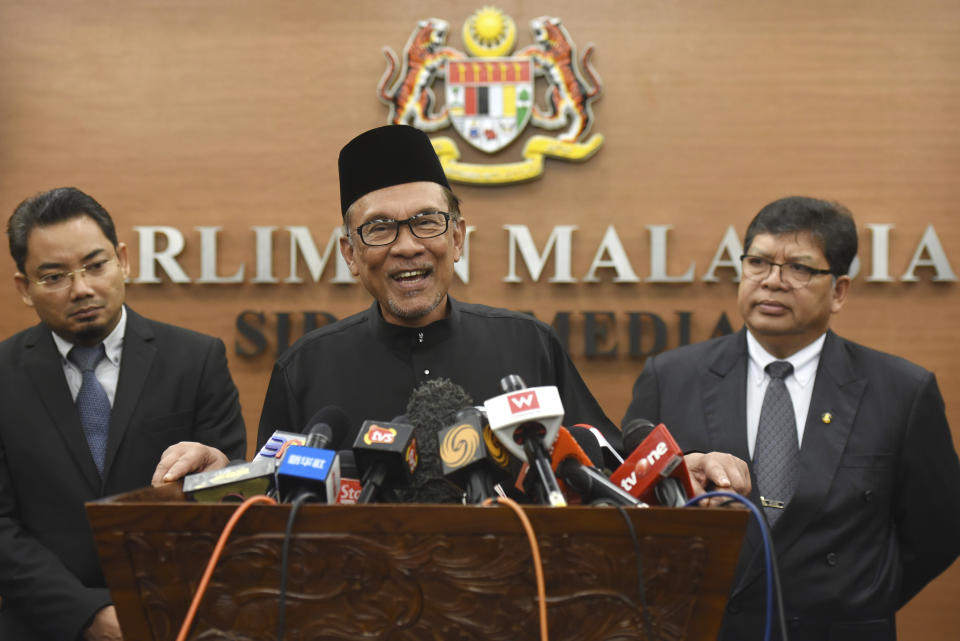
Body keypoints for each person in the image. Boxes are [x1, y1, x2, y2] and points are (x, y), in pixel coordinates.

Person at [257, 125, 748, 499]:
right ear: (349, 252)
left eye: (427, 222)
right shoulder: (305, 369)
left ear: (457, 237)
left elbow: (605, 470)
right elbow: (265, 507)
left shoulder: (528, 345)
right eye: (380, 229)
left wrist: (686, 469)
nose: (407, 247)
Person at [623, 196, 960, 640]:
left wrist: (861, 596)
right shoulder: (670, 377)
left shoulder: (901, 390)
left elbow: (940, 528)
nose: (772, 282)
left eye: (799, 268)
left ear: (839, 290)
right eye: (758, 262)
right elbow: (626, 507)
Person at [0, 187, 246, 641]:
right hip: (40, 626)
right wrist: (87, 615)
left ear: (124, 260)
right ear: (24, 288)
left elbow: (229, 497)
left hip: (176, 620)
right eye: (54, 276)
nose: (82, 289)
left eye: (96, 266)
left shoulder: (196, 360)